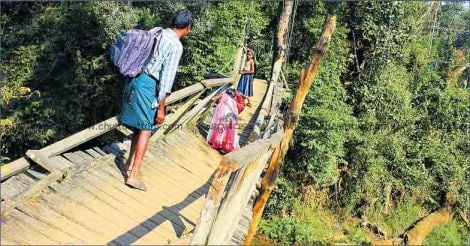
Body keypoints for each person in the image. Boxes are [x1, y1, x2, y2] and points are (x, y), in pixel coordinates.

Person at [119, 9, 193, 191]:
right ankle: (134, 175)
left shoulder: (157, 31)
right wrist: (161, 108)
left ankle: (129, 164)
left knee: (140, 125)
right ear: (188, 28)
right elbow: (167, 80)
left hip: (133, 78)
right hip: (147, 84)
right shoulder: (176, 46)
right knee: (146, 128)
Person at [206, 89, 242, 154]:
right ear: (233, 96)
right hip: (230, 117)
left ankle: (217, 142)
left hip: (222, 114)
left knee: (219, 129)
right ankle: (224, 144)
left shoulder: (223, 95)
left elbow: (213, 99)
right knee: (227, 131)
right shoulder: (233, 102)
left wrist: (217, 101)